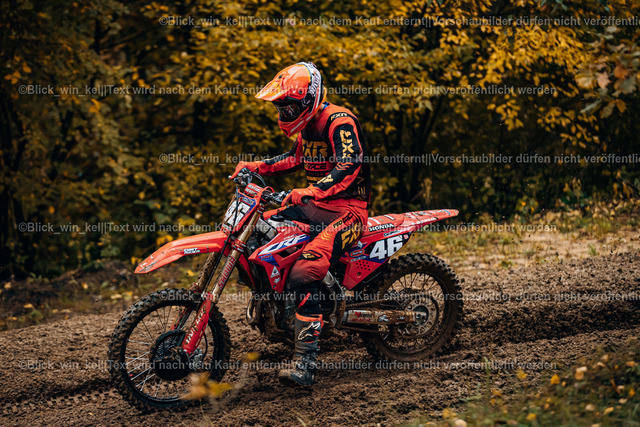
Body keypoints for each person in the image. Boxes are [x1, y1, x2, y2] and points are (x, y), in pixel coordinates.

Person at [231, 62, 371, 386]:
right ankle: (280, 311)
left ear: (309, 99)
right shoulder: (306, 127)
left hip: (348, 212)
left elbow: (349, 164)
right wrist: (254, 167)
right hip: (315, 207)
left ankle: (305, 364)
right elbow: (293, 159)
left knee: (306, 269)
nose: (285, 112)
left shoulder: (339, 121)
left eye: (290, 106)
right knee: (259, 231)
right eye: (282, 107)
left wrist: (311, 191)